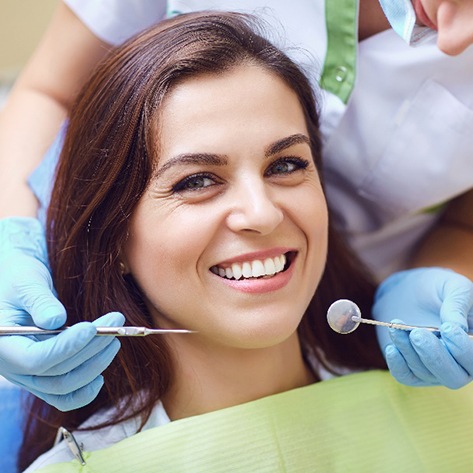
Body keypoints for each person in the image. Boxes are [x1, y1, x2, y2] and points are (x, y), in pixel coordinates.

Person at [18, 14, 473, 472]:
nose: (262, 213)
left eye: (285, 165)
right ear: (114, 239)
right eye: (197, 180)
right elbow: (47, 88)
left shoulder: (454, 409)